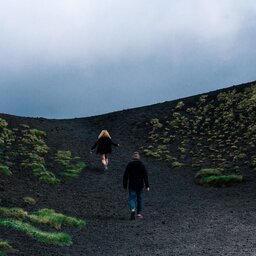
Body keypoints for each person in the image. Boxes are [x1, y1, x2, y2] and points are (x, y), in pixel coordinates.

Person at [123, 152, 150, 220]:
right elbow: (145, 176)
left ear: (133, 158)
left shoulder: (129, 165)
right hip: (139, 185)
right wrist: (147, 186)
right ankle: (138, 214)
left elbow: (125, 176)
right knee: (139, 199)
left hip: (131, 184)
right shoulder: (142, 165)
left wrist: (125, 185)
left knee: (132, 198)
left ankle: (132, 210)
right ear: (139, 158)